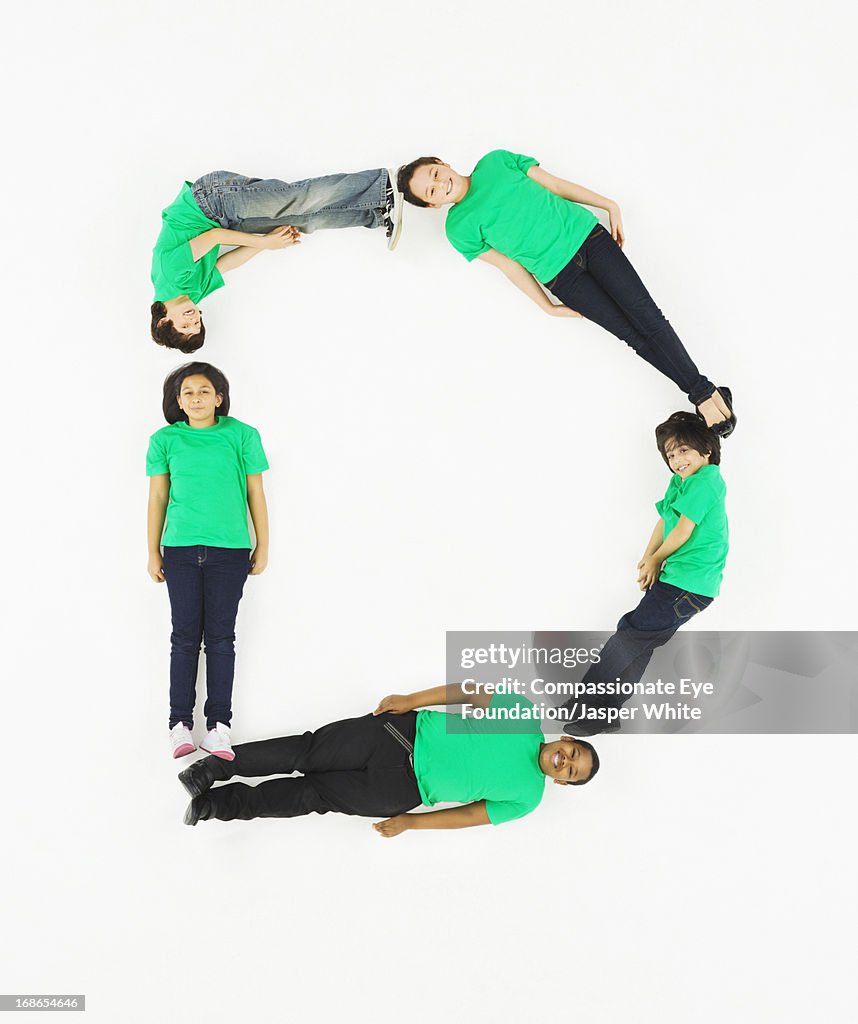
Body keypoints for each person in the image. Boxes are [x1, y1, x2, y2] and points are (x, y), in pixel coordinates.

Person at [397, 151, 735, 436]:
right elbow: (510, 267)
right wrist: (546, 306)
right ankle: (708, 395)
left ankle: (703, 395)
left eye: (435, 173)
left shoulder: (495, 161)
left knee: (648, 317)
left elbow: (554, 185)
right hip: (562, 279)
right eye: (432, 191)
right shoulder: (458, 228)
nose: (441, 184)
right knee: (632, 335)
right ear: (432, 206)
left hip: (590, 239)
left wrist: (609, 204)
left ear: (442, 162)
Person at [178, 683, 600, 836]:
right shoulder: (524, 715)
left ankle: (214, 806)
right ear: (566, 739)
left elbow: (469, 817)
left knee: (308, 796)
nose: (566, 761)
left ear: (562, 782)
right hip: (399, 735)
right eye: (574, 753)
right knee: (304, 751)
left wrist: (412, 821)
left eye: (571, 771)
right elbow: (471, 693)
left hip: (399, 791)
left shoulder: (528, 798)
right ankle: (213, 768)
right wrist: (410, 700)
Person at [558, 412, 728, 734]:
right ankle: (606, 712)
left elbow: (683, 531)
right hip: (680, 582)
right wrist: (648, 558)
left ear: (706, 449)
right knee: (637, 641)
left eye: (684, 450)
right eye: (670, 454)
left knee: (628, 637)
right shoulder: (682, 481)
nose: (677, 459)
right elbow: (665, 521)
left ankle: (585, 702)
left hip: (687, 585)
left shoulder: (708, 480)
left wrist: (657, 560)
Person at [146, 362, 270, 760]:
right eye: (187, 393)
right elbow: (158, 498)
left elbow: (256, 495)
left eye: (204, 391)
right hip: (179, 551)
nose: (195, 398)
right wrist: (152, 551)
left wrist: (262, 545)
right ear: (177, 401)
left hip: (229, 552)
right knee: (183, 639)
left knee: (220, 639)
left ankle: (219, 727)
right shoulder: (164, 440)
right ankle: (179, 724)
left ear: (219, 397)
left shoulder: (242, 435)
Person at [151, 166, 404, 352]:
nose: (194, 319)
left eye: (185, 325)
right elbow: (225, 264)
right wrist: (269, 243)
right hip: (223, 219)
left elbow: (215, 237)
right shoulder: (190, 297)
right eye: (197, 323)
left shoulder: (170, 276)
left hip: (210, 200)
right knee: (301, 222)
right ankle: (378, 213)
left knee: (296, 199)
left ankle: (383, 183)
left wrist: (263, 241)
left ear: (164, 321)